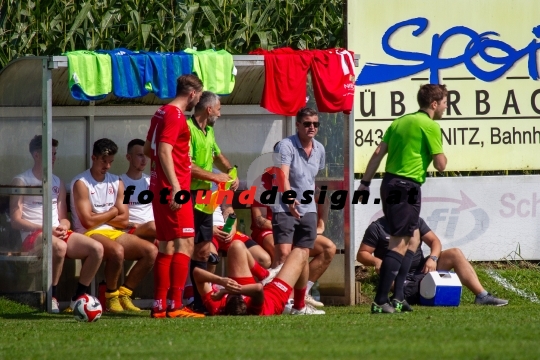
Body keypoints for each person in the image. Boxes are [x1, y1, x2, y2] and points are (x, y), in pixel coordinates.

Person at [357, 84, 448, 314]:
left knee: (413, 239)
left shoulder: (399, 122)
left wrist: (365, 183)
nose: (446, 107)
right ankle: (380, 300)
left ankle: (397, 298)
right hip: (406, 186)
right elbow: (441, 165)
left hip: (389, 184)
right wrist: (439, 154)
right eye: (445, 102)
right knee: (398, 244)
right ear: (434, 104)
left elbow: (378, 153)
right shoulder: (430, 126)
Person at [10, 135, 104, 313]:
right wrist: (47, 230)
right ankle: (51, 296)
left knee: (97, 249)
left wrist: (64, 226)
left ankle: (78, 298)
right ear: (36, 155)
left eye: (54, 154)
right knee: (60, 247)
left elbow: (63, 217)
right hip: (33, 235)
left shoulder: (57, 181)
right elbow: (16, 221)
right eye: (49, 154)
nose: (53, 158)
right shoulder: (22, 181)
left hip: (56, 232)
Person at [71, 138, 157, 313]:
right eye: (104, 161)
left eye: (111, 162)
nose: (108, 166)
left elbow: (124, 219)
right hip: (88, 233)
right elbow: (87, 222)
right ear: (93, 158)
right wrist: (112, 213)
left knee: (151, 251)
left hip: (113, 231)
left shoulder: (117, 181)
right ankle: (111, 296)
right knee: (117, 251)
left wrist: (99, 215)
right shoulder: (81, 182)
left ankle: (125, 293)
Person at [144, 74, 204, 318]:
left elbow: (150, 149)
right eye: (198, 96)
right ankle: (176, 305)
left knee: (167, 245)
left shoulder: (160, 112)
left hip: (161, 186)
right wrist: (177, 186)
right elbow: (165, 151)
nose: (197, 100)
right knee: (185, 243)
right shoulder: (176, 116)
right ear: (192, 93)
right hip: (173, 189)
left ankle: (160, 305)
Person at [357, 216, 509, 307]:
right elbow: (362, 254)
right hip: (397, 277)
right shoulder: (377, 228)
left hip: (423, 271)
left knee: (454, 253)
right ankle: (401, 298)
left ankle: (482, 296)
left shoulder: (415, 221)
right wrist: (377, 261)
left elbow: (435, 241)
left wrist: (433, 258)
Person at [187, 90, 239, 313]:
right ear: (209, 109)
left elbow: (217, 155)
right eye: (219, 108)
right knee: (185, 249)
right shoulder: (187, 129)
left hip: (204, 200)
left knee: (203, 251)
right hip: (187, 197)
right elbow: (186, 166)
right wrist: (215, 176)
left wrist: (230, 171)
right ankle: (179, 299)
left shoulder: (208, 131)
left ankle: (201, 302)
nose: (220, 112)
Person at [270, 107, 326, 313]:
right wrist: (290, 199)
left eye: (315, 124)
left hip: (308, 208)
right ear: (298, 125)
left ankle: (299, 304)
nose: (312, 127)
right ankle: (279, 300)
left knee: (303, 255)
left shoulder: (320, 148)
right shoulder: (286, 145)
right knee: (283, 255)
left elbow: (313, 181)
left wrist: (320, 215)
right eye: (307, 123)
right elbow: (282, 175)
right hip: (284, 206)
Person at [251, 179, 335, 308]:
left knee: (328, 248)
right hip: (268, 230)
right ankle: (280, 298)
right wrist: (286, 228)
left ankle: (301, 293)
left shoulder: (300, 179)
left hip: (295, 230)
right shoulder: (262, 182)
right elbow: (259, 220)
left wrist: (321, 225)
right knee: (285, 250)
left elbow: (324, 198)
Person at [192, 240, 324, 316]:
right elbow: (258, 288)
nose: (240, 295)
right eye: (239, 296)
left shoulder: (216, 305)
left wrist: (221, 281)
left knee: (236, 246)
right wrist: (226, 290)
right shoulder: (255, 308)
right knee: (301, 253)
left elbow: (197, 273)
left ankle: (264, 275)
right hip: (273, 297)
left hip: (250, 289)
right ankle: (299, 307)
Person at [120, 139, 156, 242]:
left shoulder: (151, 181)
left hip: (153, 229)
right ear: (129, 157)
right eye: (140, 155)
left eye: (146, 155)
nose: (144, 160)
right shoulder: (119, 182)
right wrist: (131, 224)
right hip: (132, 229)